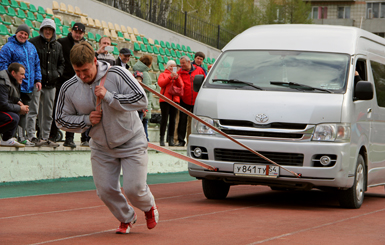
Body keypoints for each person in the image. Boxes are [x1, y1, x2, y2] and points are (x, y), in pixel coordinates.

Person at [55, 42, 158, 234]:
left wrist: (110, 97)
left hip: (131, 140)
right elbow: (60, 119)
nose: (82, 76)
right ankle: (126, 217)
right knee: (105, 191)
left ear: (95, 61)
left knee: (134, 189)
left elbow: (141, 99)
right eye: (77, 71)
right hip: (101, 146)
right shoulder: (69, 88)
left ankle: (148, 206)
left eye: (85, 70)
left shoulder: (117, 73)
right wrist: (86, 120)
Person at [0, 24, 42, 147]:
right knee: (15, 111)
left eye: (26, 34)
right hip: (12, 86)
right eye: (21, 33)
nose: (23, 36)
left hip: (27, 86)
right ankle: (12, 136)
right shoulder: (8, 47)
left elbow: (36, 64)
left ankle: (22, 136)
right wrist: (9, 81)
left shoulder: (31, 47)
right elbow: (3, 65)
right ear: (16, 33)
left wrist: (38, 79)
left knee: (25, 111)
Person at [27, 19, 64, 147]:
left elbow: (61, 63)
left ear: (53, 31)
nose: (48, 31)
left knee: (48, 113)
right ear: (42, 29)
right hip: (37, 83)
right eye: (46, 29)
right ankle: (31, 136)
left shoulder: (58, 46)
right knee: (33, 110)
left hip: (51, 84)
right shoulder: (33, 43)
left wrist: (57, 74)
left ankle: (45, 137)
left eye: (50, 29)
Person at [50, 22, 88, 148]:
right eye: (76, 32)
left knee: (75, 110)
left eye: (80, 33)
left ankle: (69, 138)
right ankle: (53, 135)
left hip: (78, 82)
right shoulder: (61, 42)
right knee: (57, 108)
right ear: (72, 31)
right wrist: (58, 74)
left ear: (83, 33)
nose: (77, 35)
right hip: (62, 81)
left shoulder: (85, 45)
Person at [177, 56, 205, 146]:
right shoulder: (180, 72)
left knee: (195, 123)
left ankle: (193, 141)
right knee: (182, 121)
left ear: (189, 62)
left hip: (197, 100)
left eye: (183, 63)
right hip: (184, 100)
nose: (182, 65)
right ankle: (181, 141)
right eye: (181, 63)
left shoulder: (199, 70)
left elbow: (204, 82)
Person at [0, 63, 29, 147]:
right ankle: (6, 139)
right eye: (22, 74)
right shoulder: (2, 82)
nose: (24, 77)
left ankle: (7, 139)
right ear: (13, 73)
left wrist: (19, 102)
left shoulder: (13, 80)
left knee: (17, 114)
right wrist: (19, 108)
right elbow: (3, 104)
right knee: (13, 117)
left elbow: (12, 96)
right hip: (2, 107)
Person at [158, 60, 183, 146]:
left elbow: (181, 86)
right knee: (164, 119)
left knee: (173, 120)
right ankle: (161, 139)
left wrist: (177, 78)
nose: (172, 68)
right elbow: (161, 83)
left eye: (174, 66)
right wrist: (169, 77)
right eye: (170, 66)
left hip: (175, 100)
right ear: (167, 67)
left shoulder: (177, 75)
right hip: (165, 100)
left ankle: (170, 139)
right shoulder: (163, 74)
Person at [132, 55, 156, 141]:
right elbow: (146, 88)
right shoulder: (145, 73)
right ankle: (145, 140)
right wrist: (154, 86)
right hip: (144, 102)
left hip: (140, 102)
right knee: (144, 123)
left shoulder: (138, 70)